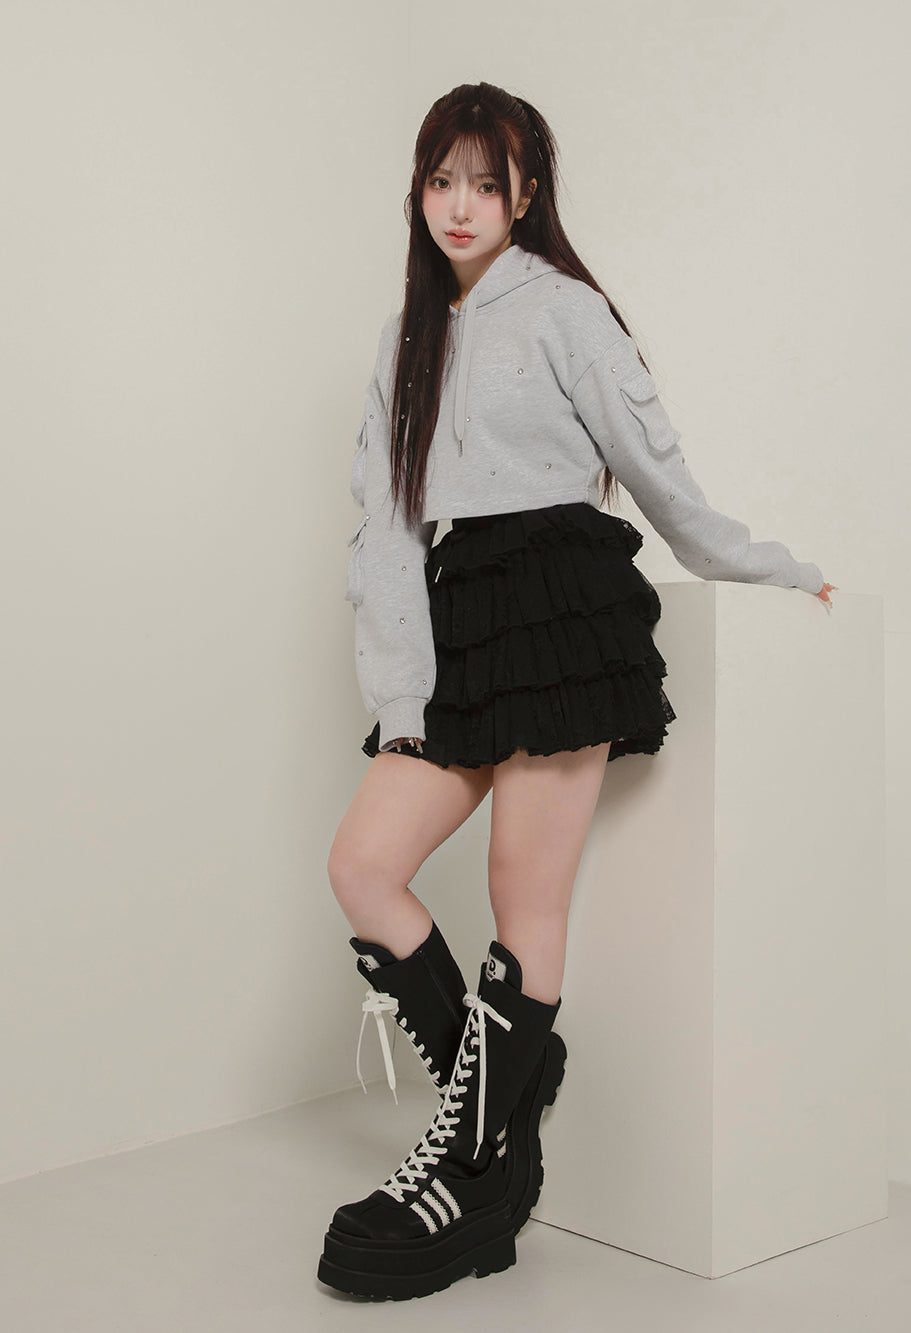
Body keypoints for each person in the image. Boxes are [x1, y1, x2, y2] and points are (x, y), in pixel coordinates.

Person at [318, 81, 836, 1301]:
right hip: (459, 617)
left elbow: (659, 477)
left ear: (526, 194)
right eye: (440, 180)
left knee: (520, 888)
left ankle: (471, 1166)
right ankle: (502, 1108)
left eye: (484, 182)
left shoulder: (563, 310)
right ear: (418, 191)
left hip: (559, 603)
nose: (459, 205)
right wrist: (401, 699)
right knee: (363, 863)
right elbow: (386, 533)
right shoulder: (406, 339)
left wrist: (768, 565)